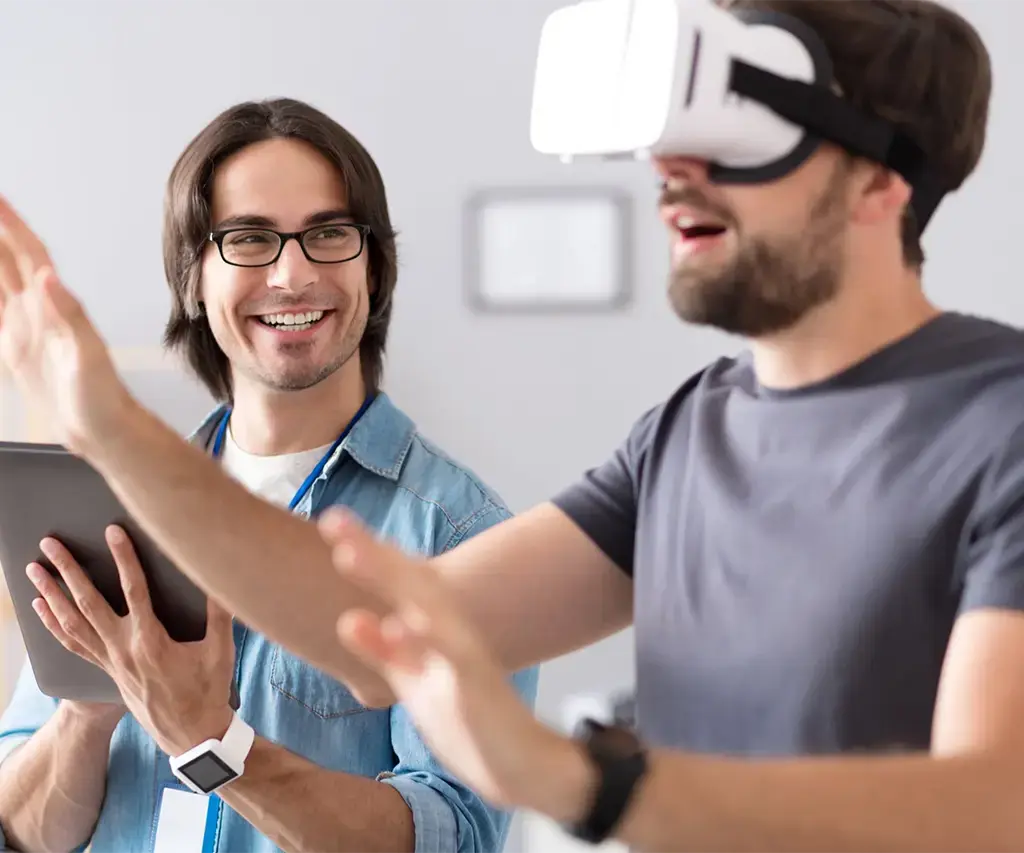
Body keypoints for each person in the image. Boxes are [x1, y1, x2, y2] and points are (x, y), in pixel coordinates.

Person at [0, 0, 1017, 850]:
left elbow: (992, 802)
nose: (670, 174)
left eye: (741, 136)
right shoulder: (685, 436)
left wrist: (588, 782)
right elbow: (380, 638)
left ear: (884, 180)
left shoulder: (998, 426)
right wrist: (111, 429)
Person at [0, 98, 537, 853]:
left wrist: (213, 742)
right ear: (193, 278)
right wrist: (92, 704)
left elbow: (455, 839)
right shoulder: (104, 505)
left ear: (374, 268)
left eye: (328, 234)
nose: (292, 275)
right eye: (249, 239)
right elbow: (19, 830)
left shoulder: (458, 533)